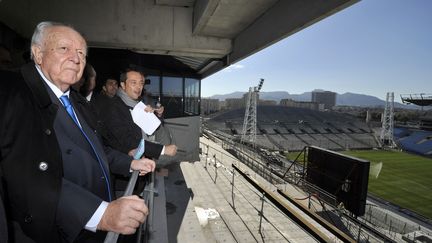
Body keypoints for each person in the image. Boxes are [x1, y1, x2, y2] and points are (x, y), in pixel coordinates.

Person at [0, 21, 155, 242]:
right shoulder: (12, 94)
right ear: (38, 53)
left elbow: (97, 150)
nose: (76, 58)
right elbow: (25, 175)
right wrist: (100, 213)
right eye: (64, 49)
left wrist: (129, 163)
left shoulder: (77, 101)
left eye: (82, 53)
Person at [102, 68, 177, 159]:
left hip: (144, 160)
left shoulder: (138, 104)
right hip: (127, 167)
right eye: (133, 83)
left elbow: (152, 129)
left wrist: (156, 115)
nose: (138, 87)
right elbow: (126, 140)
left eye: (141, 83)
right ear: (123, 85)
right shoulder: (113, 107)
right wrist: (163, 150)